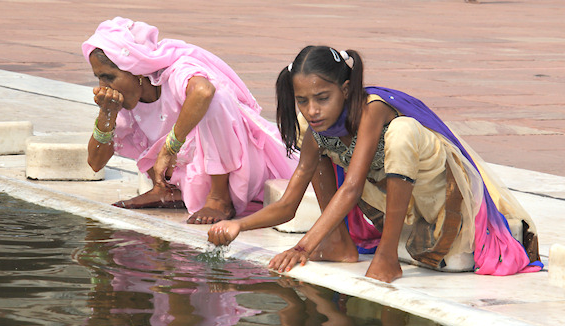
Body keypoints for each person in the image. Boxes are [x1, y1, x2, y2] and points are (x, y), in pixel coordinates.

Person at [208, 45, 543, 283]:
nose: (312, 110)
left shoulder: (373, 109)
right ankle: (339, 243)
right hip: (405, 207)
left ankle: (386, 254)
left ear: (346, 89)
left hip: (441, 195)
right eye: (303, 100)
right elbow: (287, 204)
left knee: (400, 133)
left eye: (322, 98)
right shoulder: (317, 131)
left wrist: (303, 246)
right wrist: (241, 226)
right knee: (310, 133)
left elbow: (352, 187)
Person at [81, 17, 297, 224]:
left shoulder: (175, 72)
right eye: (99, 77)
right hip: (193, 179)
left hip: (243, 170)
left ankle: (219, 199)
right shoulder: (124, 102)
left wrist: (170, 147)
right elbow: (95, 163)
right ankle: (168, 191)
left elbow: (203, 92)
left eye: (109, 77)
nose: (103, 85)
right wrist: (106, 114)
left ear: (135, 69)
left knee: (215, 99)